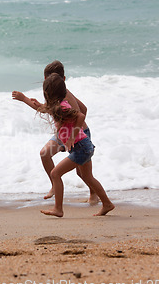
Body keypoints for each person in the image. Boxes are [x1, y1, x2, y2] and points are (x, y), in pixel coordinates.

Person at [25, 74, 114, 217]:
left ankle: (58, 209)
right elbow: (46, 109)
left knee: (55, 174)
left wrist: (73, 136)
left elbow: (80, 115)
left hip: (81, 148)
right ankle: (107, 204)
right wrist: (26, 100)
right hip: (84, 146)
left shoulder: (63, 106)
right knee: (88, 177)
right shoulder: (58, 106)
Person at [12, 60, 99, 204]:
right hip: (63, 134)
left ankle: (94, 193)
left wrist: (24, 99)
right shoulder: (57, 94)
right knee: (44, 153)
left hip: (77, 135)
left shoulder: (65, 95)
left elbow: (78, 113)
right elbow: (83, 109)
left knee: (82, 173)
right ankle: (54, 184)